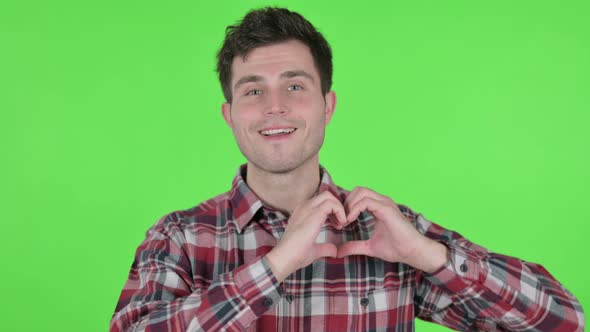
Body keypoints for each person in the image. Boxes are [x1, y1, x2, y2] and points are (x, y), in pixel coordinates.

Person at [110, 7, 584, 331]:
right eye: (253, 90)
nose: (275, 107)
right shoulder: (180, 239)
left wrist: (430, 255)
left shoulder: (388, 233)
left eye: (295, 86)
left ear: (327, 106)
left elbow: (561, 320)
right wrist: (275, 266)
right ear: (230, 113)